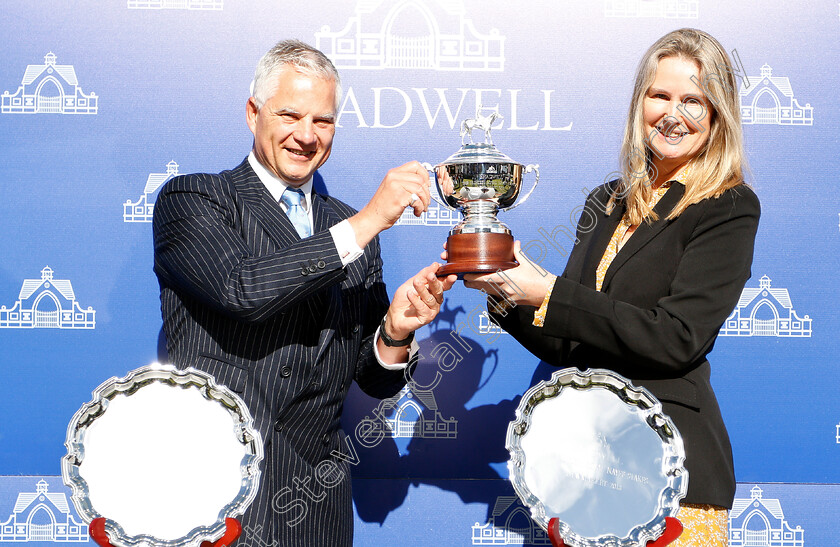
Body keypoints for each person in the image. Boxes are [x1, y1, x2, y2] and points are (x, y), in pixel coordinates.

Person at [457, 28, 759, 545]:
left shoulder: (728, 207)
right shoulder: (609, 199)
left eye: (692, 100)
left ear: (717, 115)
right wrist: (505, 287)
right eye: (659, 95)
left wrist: (549, 291)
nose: (672, 113)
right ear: (639, 102)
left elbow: (676, 337)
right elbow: (568, 340)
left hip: (671, 479)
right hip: (584, 476)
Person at [153, 40, 456, 547]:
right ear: (253, 114)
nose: (306, 136)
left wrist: (394, 333)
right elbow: (243, 289)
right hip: (213, 496)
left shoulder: (348, 224)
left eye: (323, 121)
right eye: (290, 115)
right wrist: (368, 222)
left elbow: (370, 379)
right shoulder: (196, 199)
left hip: (316, 508)